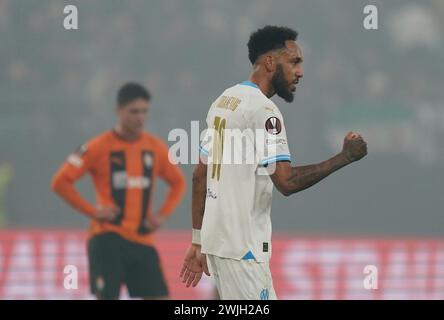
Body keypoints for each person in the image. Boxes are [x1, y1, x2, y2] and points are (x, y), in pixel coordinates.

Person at [180, 26, 367, 300]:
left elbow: (199, 175)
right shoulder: (264, 111)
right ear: (269, 62)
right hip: (244, 250)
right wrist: (345, 157)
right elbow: (286, 182)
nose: (300, 72)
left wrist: (198, 240)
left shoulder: (223, 101)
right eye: (294, 62)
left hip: (217, 245)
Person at [52, 83, 186, 299]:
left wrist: (162, 215)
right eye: (134, 111)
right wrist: (93, 212)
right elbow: (60, 182)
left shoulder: (155, 147)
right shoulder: (98, 146)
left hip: (142, 240)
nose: (140, 117)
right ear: (119, 111)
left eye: (144, 111)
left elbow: (178, 182)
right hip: (108, 238)